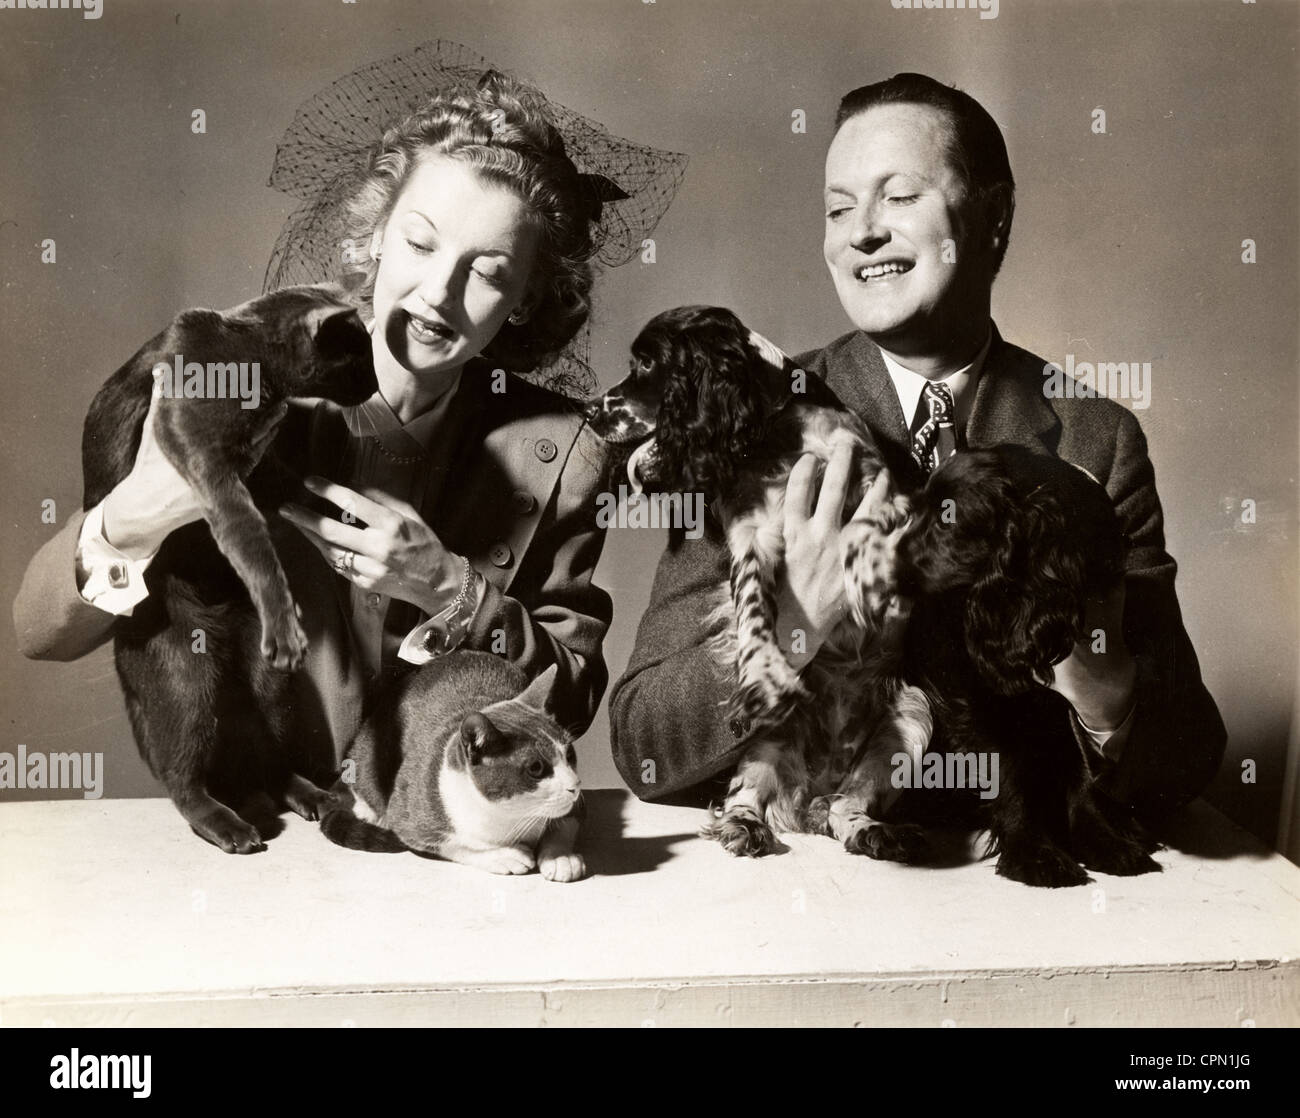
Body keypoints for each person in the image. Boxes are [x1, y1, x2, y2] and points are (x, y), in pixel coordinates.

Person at [14, 54, 684, 779]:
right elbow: (37, 630)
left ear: (524, 298)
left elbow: (572, 697)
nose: (437, 292)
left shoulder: (565, 449)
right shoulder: (247, 375)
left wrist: (452, 592)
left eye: (487, 273)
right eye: (421, 244)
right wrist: (132, 516)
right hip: (268, 830)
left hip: (439, 843)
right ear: (374, 237)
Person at [610, 72, 1225, 822]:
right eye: (838, 209)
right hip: (804, 875)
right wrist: (793, 624)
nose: (861, 230)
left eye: (898, 197)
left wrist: (1096, 675)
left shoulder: (1096, 438)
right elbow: (642, 739)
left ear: (993, 217)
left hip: (1009, 882)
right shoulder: (748, 419)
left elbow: (1184, 757)